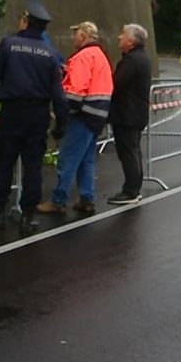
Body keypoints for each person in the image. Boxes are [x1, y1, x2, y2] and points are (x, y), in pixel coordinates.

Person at [0, 0, 69, 233]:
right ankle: (28, 217)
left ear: (25, 21)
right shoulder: (50, 54)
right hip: (38, 115)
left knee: (4, 164)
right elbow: (59, 95)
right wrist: (61, 123)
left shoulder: (9, 45)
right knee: (33, 167)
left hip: (11, 112)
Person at [37, 21, 113, 216]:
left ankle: (58, 201)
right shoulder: (100, 55)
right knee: (86, 159)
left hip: (84, 114)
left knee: (67, 159)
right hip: (99, 115)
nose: (73, 38)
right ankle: (87, 199)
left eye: (76, 34)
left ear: (83, 36)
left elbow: (76, 92)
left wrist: (62, 111)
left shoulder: (82, 57)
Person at [107, 24, 152, 204]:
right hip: (135, 113)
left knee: (128, 152)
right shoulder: (142, 58)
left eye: (123, 34)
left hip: (127, 114)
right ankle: (134, 188)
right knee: (133, 151)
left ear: (131, 41)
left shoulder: (132, 61)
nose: (119, 37)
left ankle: (131, 190)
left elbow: (116, 84)